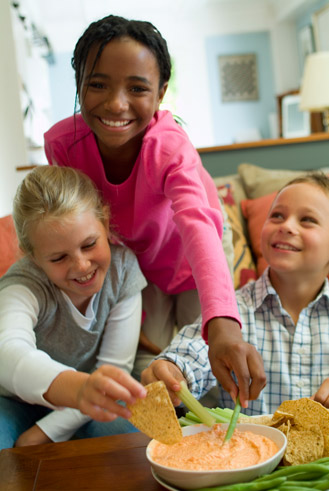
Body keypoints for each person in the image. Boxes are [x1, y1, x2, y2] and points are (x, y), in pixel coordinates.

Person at [43, 14, 265, 407]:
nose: (116, 103)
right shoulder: (63, 145)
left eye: (137, 88)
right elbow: (71, 222)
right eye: (97, 85)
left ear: (161, 93)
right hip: (140, 260)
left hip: (198, 249)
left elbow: (199, 224)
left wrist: (224, 325)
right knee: (152, 360)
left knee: (205, 351)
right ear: (79, 82)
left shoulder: (169, 147)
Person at [142, 173, 329, 414]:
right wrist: (171, 370)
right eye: (277, 216)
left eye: (307, 220)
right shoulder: (232, 312)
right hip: (249, 451)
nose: (286, 226)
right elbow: (195, 352)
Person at [0, 166, 148, 450]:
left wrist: (45, 433)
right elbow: (8, 351)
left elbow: (114, 369)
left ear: (104, 222)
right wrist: (78, 389)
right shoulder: (23, 284)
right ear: (33, 256)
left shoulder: (123, 271)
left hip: (88, 403)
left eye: (89, 244)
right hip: (13, 401)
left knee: (131, 437)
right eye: (58, 258)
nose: (81, 266)